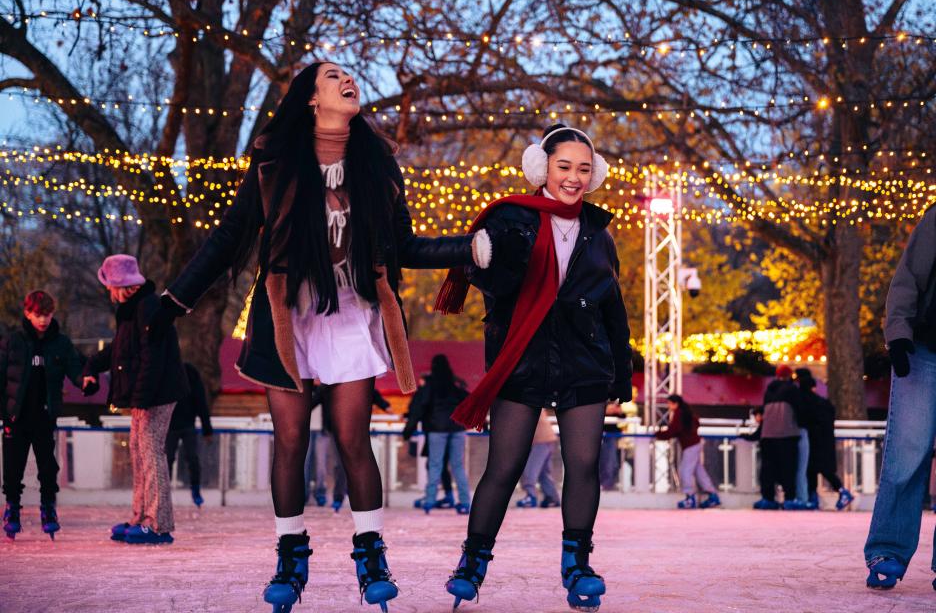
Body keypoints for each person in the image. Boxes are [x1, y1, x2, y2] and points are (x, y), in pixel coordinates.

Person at [146, 62, 491, 611]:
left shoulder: (377, 167)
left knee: (354, 439)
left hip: (352, 312)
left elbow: (404, 247)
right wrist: (174, 301)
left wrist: (468, 248)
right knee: (291, 442)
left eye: (351, 75)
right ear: (310, 99)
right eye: (334, 76)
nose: (348, 79)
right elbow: (229, 237)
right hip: (289, 315)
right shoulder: (274, 164)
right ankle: (289, 556)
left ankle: (370, 551)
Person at [436, 123, 632, 611]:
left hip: (584, 363)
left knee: (583, 465)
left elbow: (613, 309)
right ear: (542, 168)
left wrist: (621, 375)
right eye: (564, 166)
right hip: (521, 358)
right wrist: (485, 261)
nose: (573, 177)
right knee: (504, 465)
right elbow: (493, 280)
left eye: (584, 168)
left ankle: (577, 564)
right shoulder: (512, 218)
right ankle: (473, 561)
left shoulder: (599, 234)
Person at [83, 255, 189, 544]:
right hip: (145, 394)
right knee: (138, 452)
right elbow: (119, 351)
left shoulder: (149, 307)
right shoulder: (131, 311)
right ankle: (140, 517)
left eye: (110, 285)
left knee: (152, 453)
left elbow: (152, 358)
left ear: (121, 284)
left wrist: (141, 397)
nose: (108, 291)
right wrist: (91, 367)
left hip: (158, 393)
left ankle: (158, 525)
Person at [864, 204, 936, 590]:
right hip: (923, 351)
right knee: (907, 453)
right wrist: (898, 334)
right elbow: (908, 278)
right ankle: (888, 549)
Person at [1, 290, 88, 540]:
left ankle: (48, 507)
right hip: (16, 417)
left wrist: (86, 382)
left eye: (47, 315)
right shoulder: (12, 342)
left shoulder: (60, 343)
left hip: (44, 415)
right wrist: (5, 414)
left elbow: (75, 368)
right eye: (38, 315)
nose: (43, 320)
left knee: (47, 466)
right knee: (13, 467)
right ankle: (12, 508)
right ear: (28, 313)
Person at [402, 354, 472, 514]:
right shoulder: (456, 385)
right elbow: (470, 401)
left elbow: (418, 409)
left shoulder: (429, 387)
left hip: (436, 429)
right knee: (458, 466)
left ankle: (429, 500)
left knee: (435, 465)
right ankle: (465, 502)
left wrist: (408, 430)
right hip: (457, 429)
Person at [794, 368, 853, 511]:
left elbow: (802, 419)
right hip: (826, 439)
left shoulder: (803, 400)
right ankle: (840, 492)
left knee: (812, 469)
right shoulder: (824, 403)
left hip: (813, 440)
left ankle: (813, 497)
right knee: (824, 469)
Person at [754, 365, 805, 510]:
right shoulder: (793, 390)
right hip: (787, 434)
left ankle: (768, 497)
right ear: (789, 376)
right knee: (788, 467)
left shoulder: (769, 391)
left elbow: (763, 410)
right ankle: (789, 498)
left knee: (768, 468)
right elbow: (800, 411)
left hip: (768, 434)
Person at [655, 395, 720, 509]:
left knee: (685, 470)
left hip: (690, 445)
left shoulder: (679, 413)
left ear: (676, 403)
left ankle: (690, 497)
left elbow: (674, 429)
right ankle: (712, 495)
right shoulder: (686, 412)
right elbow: (692, 424)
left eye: (670, 403)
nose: (669, 406)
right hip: (695, 443)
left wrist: (658, 434)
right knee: (698, 471)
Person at [166, 363, 213, 507]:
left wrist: (207, 429)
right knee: (167, 459)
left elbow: (200, 401)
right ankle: (163, 493)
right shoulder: (166, 371)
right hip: (170, 425)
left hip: (187, 425)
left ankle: (196, 489)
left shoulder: (190, 372)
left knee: (192, 458)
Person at [516, 409, 561, 509]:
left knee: (530, 469)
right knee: (543, 472)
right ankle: (552, 497)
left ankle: (530, 496)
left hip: (540, 441)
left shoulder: (524, 403)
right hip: (547, 439)